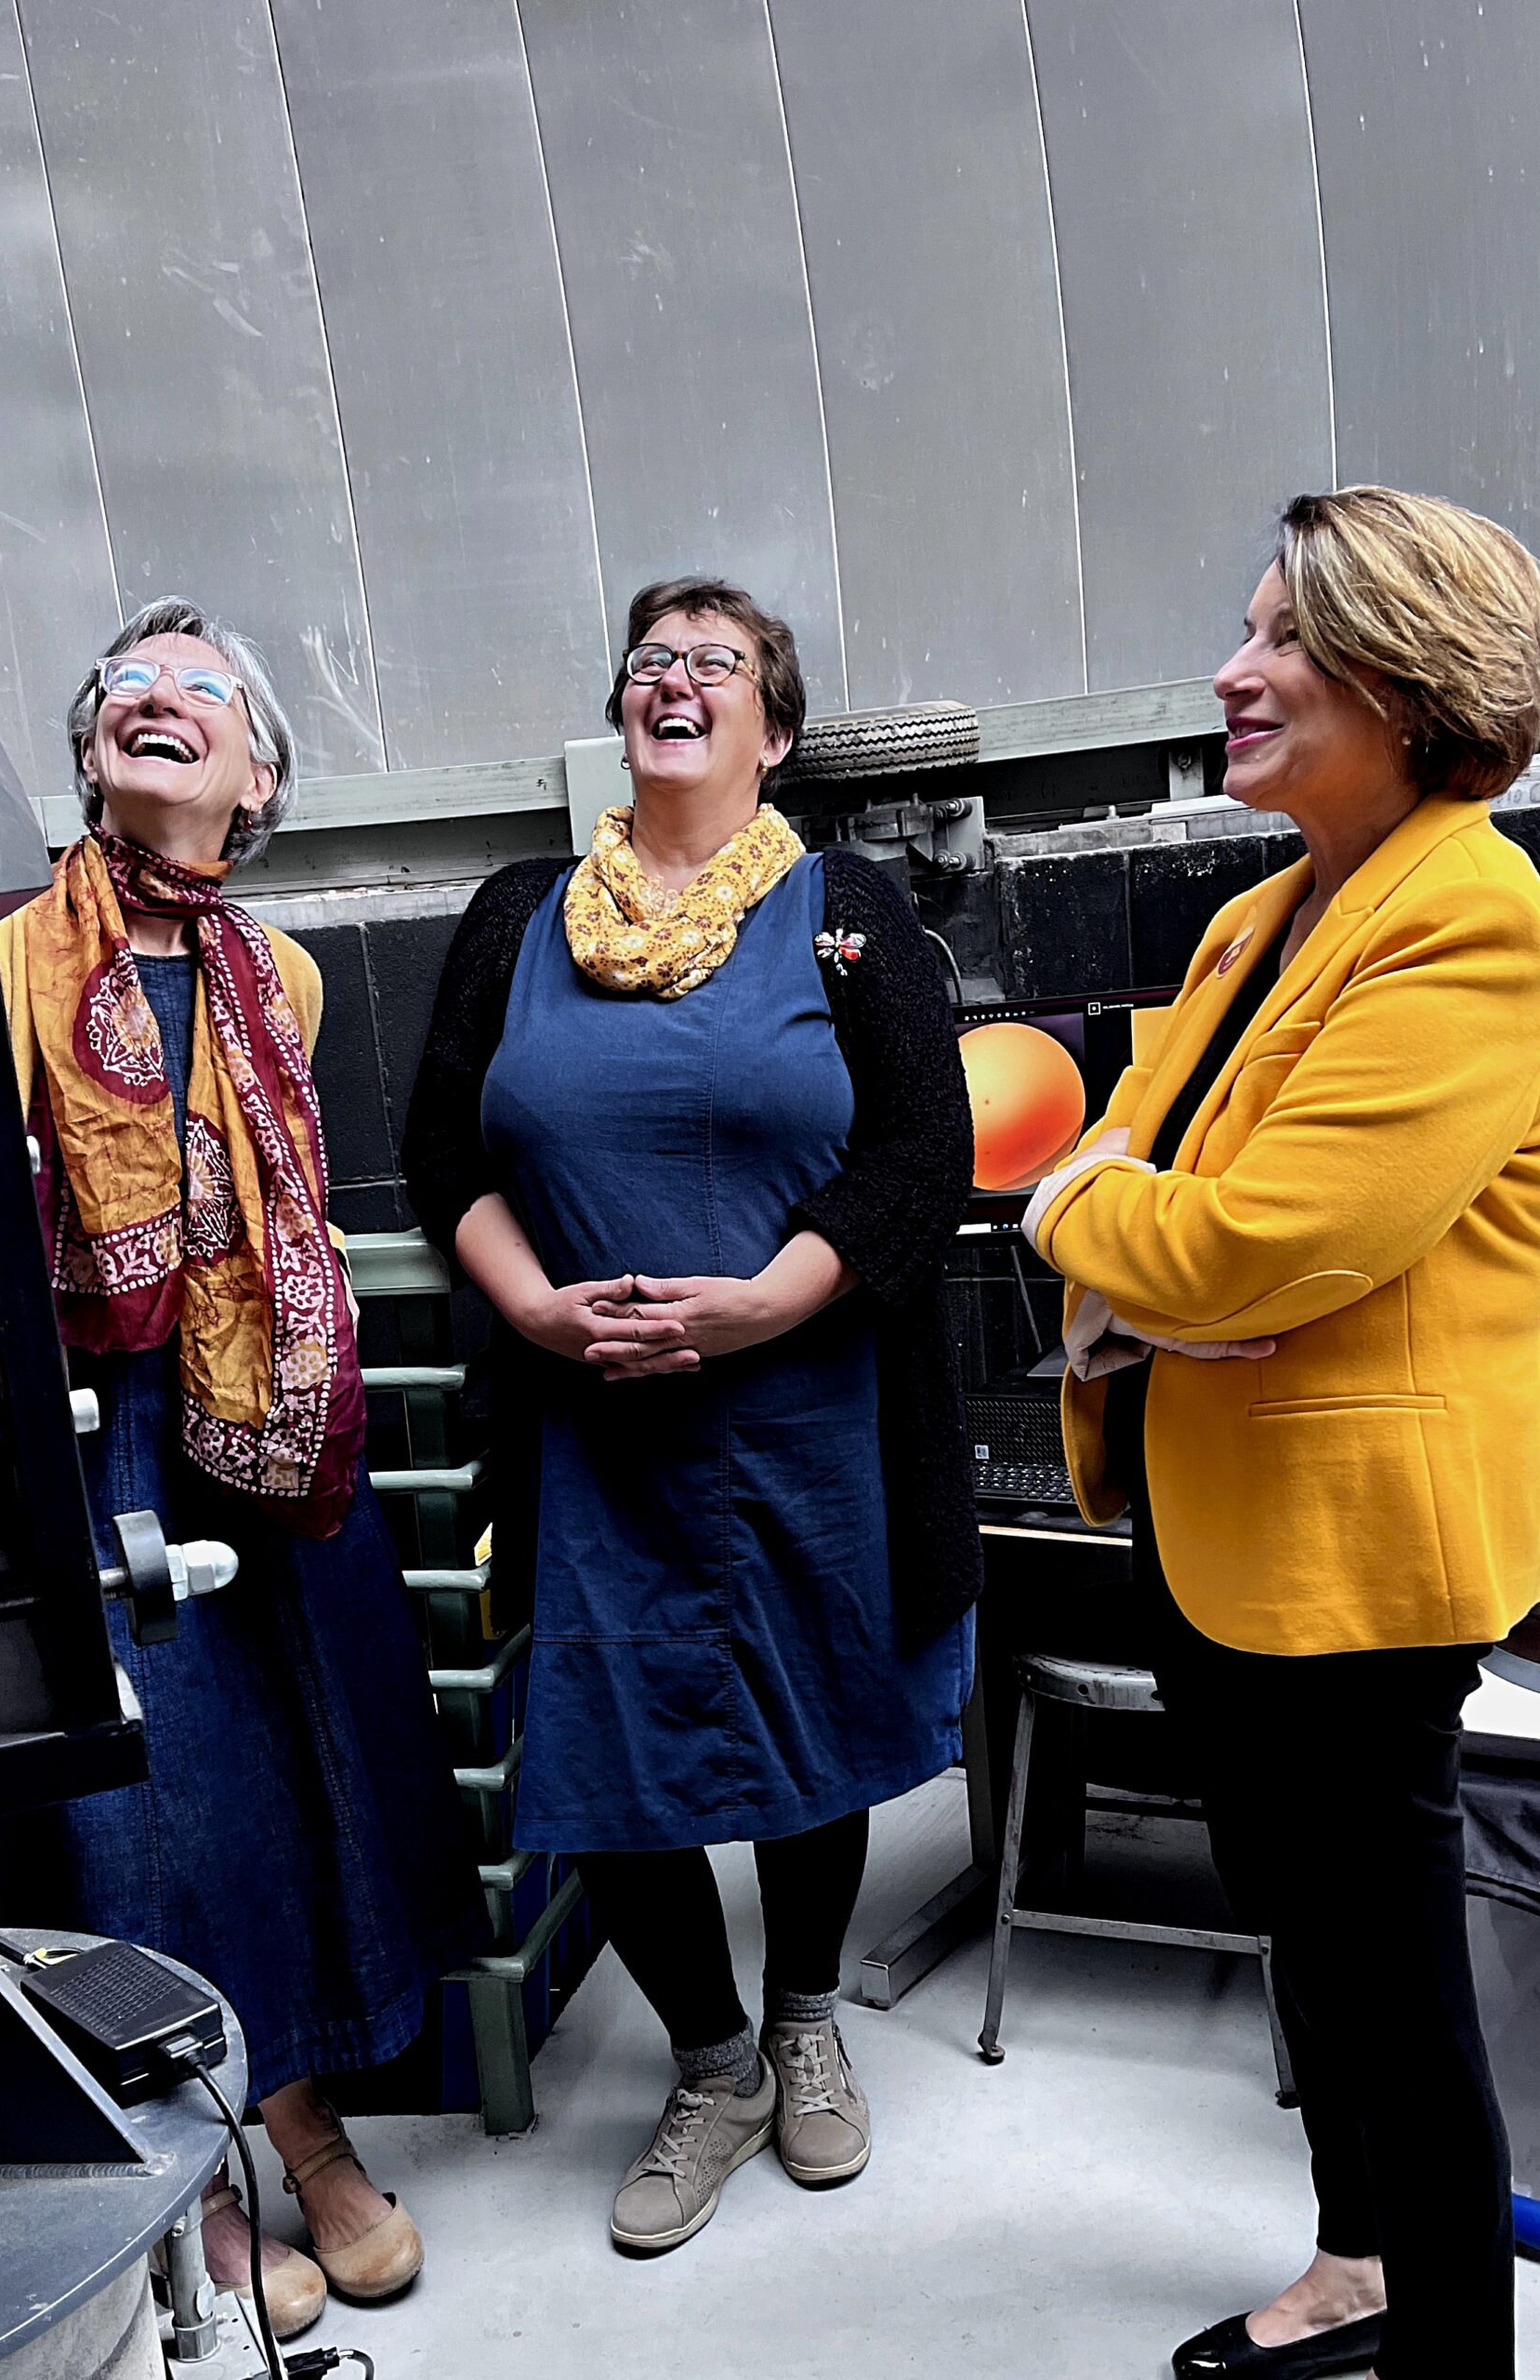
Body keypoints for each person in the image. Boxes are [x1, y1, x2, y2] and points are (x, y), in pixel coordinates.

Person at [0, 600, 485, 2341]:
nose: (157, 700)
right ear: (87, 756)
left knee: (297, 1781)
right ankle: (195, 2176)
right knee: (138, 1813)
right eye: (125, 688)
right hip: (86, 1432)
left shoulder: (279, 973)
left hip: (260, 1438)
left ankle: (310, 2125)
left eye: (202, 689)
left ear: (259, 778)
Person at [1024, 488, 1540, 2380]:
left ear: (1405, 679)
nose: (1230, 670)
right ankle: (1356, 2265)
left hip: (1356, 1561)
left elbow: (1251, 1240)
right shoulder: (1259, 917)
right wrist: (1142, 1248)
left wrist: (1079, 1223)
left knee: (1397, 2004)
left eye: (1284, 636)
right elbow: (1150, 1171)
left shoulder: (1473, 919)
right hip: (1209, 1525)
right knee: (1309, 1946)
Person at [402, 575, 979, 2254]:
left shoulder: (844, 907)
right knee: (611, 1749)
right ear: (623, 712)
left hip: (808, 1410)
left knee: (815, 1723)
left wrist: (767, 1303)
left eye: (716, 663)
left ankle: (803, 2021)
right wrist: (532, 1305)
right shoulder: (520, 914)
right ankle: (711, 2067)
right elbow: (442, 1148)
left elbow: (921, 1153)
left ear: (773, 731)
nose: (676, 680)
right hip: (595, 1431)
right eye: (652, 660)